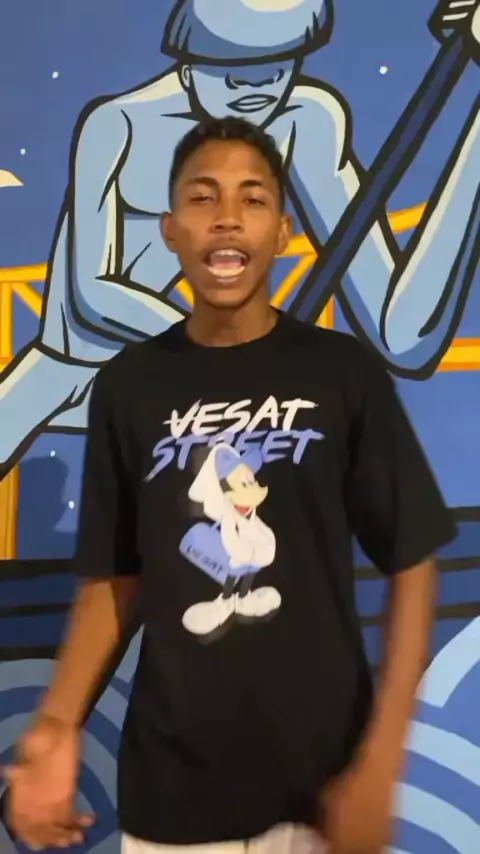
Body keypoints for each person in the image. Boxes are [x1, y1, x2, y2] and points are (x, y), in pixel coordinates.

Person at [2, 116, 456, 854]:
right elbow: (114, 578)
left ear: (282, 232)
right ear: (170, 230)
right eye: (202, 197)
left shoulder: (342, 373)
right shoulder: (128, 386)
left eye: (253, 198)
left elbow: (412, 560)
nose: (226, 217)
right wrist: (56, 723)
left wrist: (381, 760)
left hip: (323, 791)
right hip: (171, 796)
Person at [2, 0, 480, 476]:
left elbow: (401, 335)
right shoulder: (118, 125)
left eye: (276, 72)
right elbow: (91, 295)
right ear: (186, 65)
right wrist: (234, 352)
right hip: (73, 369)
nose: (255, 90)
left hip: (205, 382)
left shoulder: (302, 117)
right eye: (232, 75)